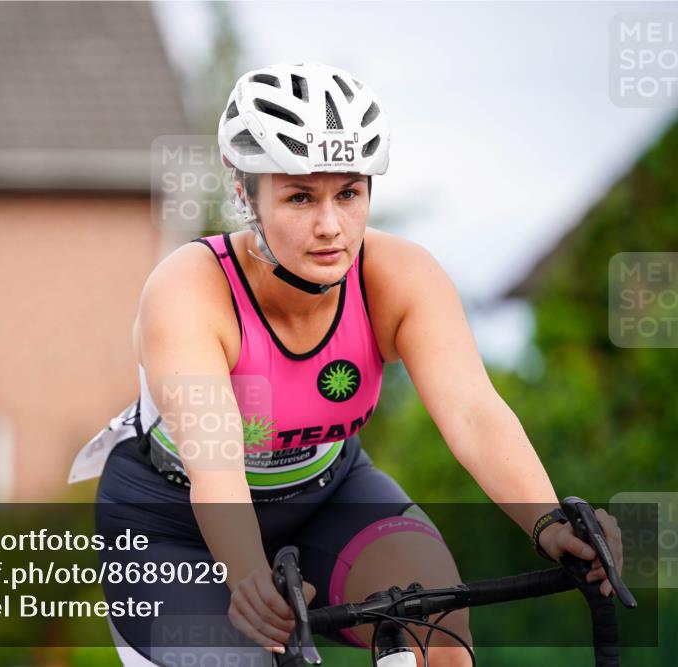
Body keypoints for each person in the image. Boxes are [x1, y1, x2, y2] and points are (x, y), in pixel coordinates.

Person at [80, 62, 625, 667]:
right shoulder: (189, 290)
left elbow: (472, 412)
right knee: (239, 659)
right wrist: (250, 580)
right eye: (299, 197)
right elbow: (216, 465)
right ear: (245, 197)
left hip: (327, 493)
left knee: (435, 627)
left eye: (349, 192)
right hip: (174, 520)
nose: (331, 226)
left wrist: (549, 522)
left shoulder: (399, 276)